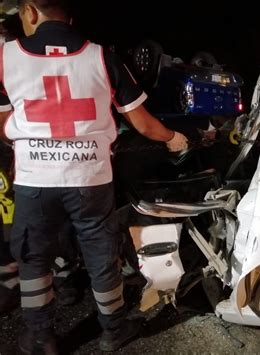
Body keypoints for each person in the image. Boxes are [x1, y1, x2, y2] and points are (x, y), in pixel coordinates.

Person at [0, 0, 188, 354]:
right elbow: (143, 123)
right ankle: (113, 330)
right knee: (101, 253)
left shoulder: (5, 58)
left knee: (33, 256)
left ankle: (40, 336)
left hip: (34, 180)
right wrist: (174, 138)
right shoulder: (102, 57)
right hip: (90, 177)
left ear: (30, 12)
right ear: (70, 16)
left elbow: (4, 128)